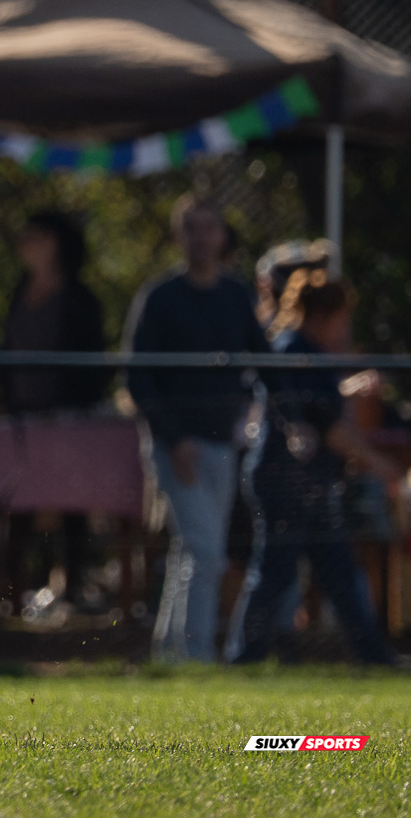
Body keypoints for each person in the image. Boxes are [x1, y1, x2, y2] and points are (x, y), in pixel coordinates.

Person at [226, 270, 409, 665]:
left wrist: (347, 390)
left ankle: (373, 657)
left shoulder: (305, 350)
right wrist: (381, 465)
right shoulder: (294, 351)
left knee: (338, 571)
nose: (345, 328)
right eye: (342, 318)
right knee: (275, 572)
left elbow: (322, 406)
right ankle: (243, 658)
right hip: (284, 481)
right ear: (324, 315)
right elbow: (330, 428)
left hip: (309, 482)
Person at [123, 194, 270, 663]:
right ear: (178, 236)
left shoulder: (236, 295)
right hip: (175, 446)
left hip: (222, 442)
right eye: (192, 228)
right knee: (207, 551)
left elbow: (264, 362)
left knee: (193, 550)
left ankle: (169, 654)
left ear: (222, 236)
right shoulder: (160, 297)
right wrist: (175, 439)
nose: (202, 238)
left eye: (210, 227)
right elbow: (138, 378)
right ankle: (199, 655)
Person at [0, 211, 109, 611]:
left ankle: (73, 589)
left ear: (55, 243)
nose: (25, 244)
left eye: (36, 236)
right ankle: (11, 594)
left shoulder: (79, 298)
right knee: (17, 505)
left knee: (71, 506)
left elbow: (93, 365)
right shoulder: (18, 291)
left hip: (67, 425)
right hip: (22, 422)